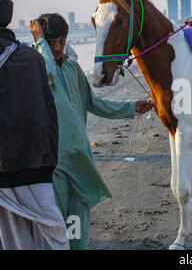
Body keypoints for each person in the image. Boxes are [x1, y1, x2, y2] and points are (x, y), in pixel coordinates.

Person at [29, 13, 154, 250]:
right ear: (42, 42)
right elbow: (49, 73)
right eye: (51, 42)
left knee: (77, 229)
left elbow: (94, 104)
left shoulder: (73, 68)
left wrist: (130, 107)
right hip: (53, 165)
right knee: (53, 230)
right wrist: (39, 41)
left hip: (80, 161)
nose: (57, 48)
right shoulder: (37, 70)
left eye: (61, 41)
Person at [0, 0, 69, 250]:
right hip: (35, 166)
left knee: (12, 238)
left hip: (8, 168)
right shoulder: (31, 59)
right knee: (56, 234)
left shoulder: (33, 57)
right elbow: (48, 116)